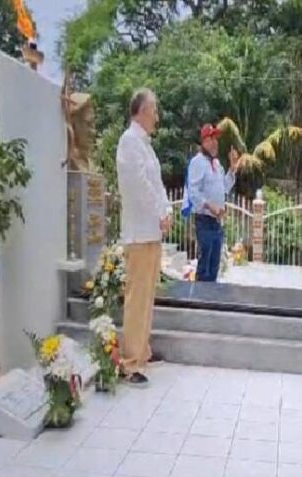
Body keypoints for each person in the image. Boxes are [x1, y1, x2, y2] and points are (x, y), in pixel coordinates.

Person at [115, 88, 172, 386]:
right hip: (139, 231)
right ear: (141, 111)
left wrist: (165, 210)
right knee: (137, 297)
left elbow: (157, 184)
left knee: (148, 295)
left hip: (151, 230)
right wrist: (158, 212)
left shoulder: (145, 145)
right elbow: (138, 185)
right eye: (154, 110)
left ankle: (142, 351)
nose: (157, 116)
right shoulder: (129, 142)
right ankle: (128, 361)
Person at [187, 124, 240, 282]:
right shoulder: (197, 162)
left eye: (216, 138)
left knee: (215, 265)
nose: (215, 142)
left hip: (216, 222)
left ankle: (210, 301)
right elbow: (193, 191)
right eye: (211, 138)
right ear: (203, 141)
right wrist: (210, 206)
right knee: (205, 265)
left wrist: (232, 169)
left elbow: (224, 187)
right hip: (204, 220)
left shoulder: (216, 164)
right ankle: (199, 302)